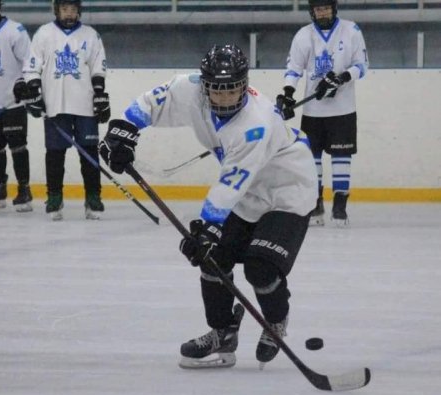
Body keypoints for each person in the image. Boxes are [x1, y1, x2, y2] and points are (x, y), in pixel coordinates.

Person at [98, 44, 318, 369]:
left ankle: (275, 320)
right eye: (217, 89)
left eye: (232, 89)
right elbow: (153, 102)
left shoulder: (255, 124)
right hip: (247, 194)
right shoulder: (190, 89)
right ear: (205, 86)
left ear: (244, 85)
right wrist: (124, 129)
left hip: (288, 190)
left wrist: (208, 226)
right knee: (213, 259)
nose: (225, 98)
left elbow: (231, 183)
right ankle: (223, 333)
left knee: (260, 268)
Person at [277, 0, 368, 226]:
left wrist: (341, 78)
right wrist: (288, 93)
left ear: (334, 9)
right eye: (319, 9)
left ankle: (339, 206)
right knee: (312, 158)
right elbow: (294, 68)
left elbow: (362, 66)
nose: (323, 13)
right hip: (313, 112)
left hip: (343, 109)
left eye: (326, 8)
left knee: (341, 157)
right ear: (312, 12)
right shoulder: (303, 35)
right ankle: (316, 204)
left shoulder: (351, 30)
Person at [22, 0, 110, 220]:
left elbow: (98, 67)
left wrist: (100, 94)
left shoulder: (90, 35)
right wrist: (35, 92)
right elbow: (32, 67)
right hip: (55, 105)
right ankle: (54, 197)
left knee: (89, 152)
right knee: (55, 154)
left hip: (85, 104)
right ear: (57, 11)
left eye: (72, 9)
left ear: (78, 11)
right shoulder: (44, 33)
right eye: (64, 9)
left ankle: (93, 197)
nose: (69, 13)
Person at [0, 0, 33, 211]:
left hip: (12, 102)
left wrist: (23, 82)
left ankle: (24, 190)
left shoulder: (15, 31)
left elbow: (29, 61)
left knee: (17, 145)